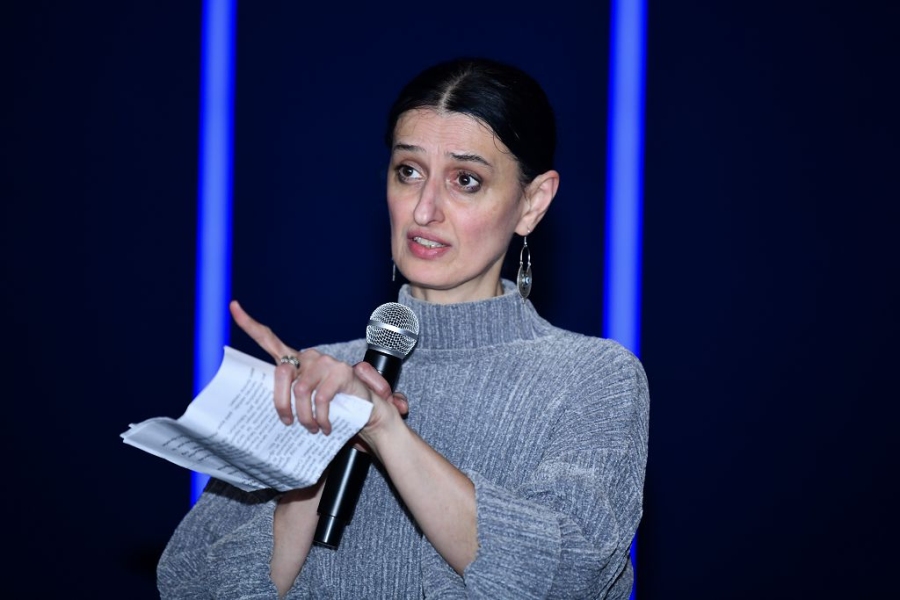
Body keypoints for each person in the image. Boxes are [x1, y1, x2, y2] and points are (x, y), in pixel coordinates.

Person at [157, 56, 650, 599]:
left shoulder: (592, 378)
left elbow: (570, 578)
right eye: (408, 172)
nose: (424, 210)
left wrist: (385, 430)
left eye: (466, 180)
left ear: (532, 203)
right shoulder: (320, 380)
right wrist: (306, 470)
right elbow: (187, 586)